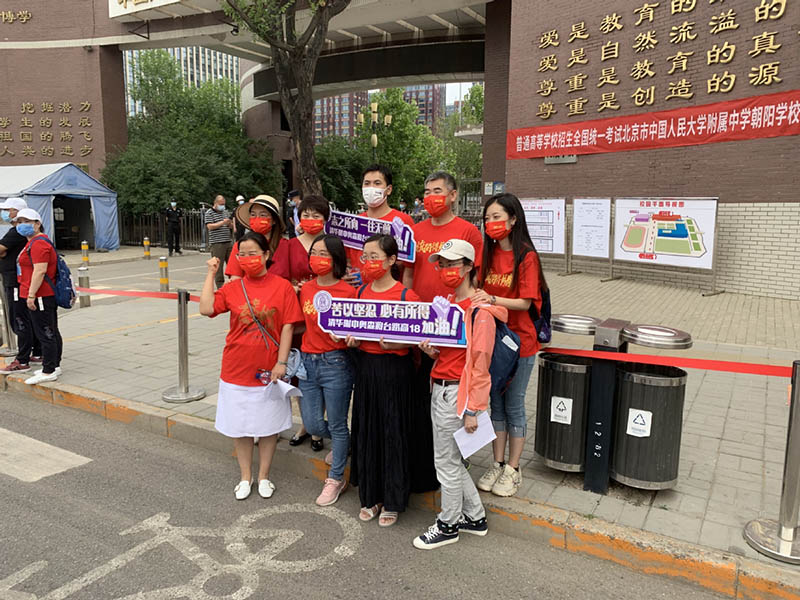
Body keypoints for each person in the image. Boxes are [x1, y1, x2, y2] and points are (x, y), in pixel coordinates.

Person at [413, 238, 505, 549]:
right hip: (440, 387)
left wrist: (472, 409)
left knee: (446, 463)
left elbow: (481, 363)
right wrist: (432, 351)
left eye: (453, 264)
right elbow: (452, 353)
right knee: (453, 460)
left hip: (456, 396)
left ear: (468, 267)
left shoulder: (481, 312)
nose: (446, 270)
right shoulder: (450, 305)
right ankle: (475, 517)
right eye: (442, 264)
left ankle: (448, 524)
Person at [199, 231, 303, 500]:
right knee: (240, 426)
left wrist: (281, 362)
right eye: (241, 254)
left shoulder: (282, 287)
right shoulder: (233, 288)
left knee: (268, 427)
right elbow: (206, 308)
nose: (247, 259)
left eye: (253, 253)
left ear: (267, 255)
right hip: (236, 368)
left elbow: (288, 326)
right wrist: (212, 273)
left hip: (269, 371)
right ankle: (245, 476)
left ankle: (264, 476)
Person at [402, 171, 484, 493]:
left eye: (437, 190)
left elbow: (477, 276)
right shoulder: (416, 230)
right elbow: (409, 273)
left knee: (452, 399)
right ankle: (428, 460)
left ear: (453, 195)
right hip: (421, 325)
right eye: (426, 191)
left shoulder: (467, 231)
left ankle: (456, 464)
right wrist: (408, 312)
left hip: (454, 330)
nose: (430, 196)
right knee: (425, 399)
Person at [473, 193, 546, 498]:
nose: (492, 223)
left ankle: (513, 469)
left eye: (497, 217)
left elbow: (525, 302)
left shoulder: (526, 256)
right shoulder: (486, 254)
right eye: (488, 218)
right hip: (491, 340)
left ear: (513, 219)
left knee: (514, 405)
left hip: (520, 344)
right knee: (496, 406)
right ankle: (498, 462)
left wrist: (491, 299)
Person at [347, 234, 419, 528]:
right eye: (366, 257)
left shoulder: (407, 297)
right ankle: (371, 495)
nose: (369, 262)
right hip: (366, 369)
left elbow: (416, 340)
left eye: (375, 256)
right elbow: (350, 328)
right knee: (367, 430)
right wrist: (350, 341)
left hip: (394, 371)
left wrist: (397, 345)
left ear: (392, 260)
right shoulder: (360, 294)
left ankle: (393, 499)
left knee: (392, 432)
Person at [297, 234, 356, 505]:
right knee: (311, 424)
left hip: (336, 363)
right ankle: (353, 441)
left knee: (335, 423)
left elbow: (357, 333)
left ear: (336, 259)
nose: (317, 259)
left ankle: (335, 478)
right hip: (308, 363)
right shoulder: (306, 289)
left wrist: (344, 338)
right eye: (314, 253)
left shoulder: (349, 292)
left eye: (324, 254)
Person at [271, 195, 332, 451]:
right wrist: (294, 287)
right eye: (305, 214)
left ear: (325, 219)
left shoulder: (331, 244)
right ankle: (306, 423)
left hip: (323, 317)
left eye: (316, 215)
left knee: (322, 373)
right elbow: (279, 279)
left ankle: (318, 423)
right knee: (299, 373)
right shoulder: (289, 245)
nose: (310, 220)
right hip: (297, 314)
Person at [12, 209, 63, 385]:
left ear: (37, 223)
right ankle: (54, 365)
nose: (21, 225)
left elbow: (40, 270)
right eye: (19, 222)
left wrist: (31, 295)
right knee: (50, 330)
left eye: (26, 221)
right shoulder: (33, 242)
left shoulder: (39, 244)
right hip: (39, 293)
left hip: (41, 294)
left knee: (45, 333)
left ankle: (49, 370)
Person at [345, 165, 415, 283]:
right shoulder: (354, 223)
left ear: (389, 189)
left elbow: (409, 265)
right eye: (367, 183)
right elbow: (347, 259)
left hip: (389, 294)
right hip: (358, 293)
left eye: (377, 183)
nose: (371, 188)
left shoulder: (403, 222)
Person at [0, 197, 42, 374]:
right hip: (19, 280)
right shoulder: (21, 233)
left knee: (19, 320)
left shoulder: (17, 232)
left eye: (8, 210)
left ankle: (22, 359)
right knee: (26, 318)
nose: (5, 213)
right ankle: (37, 353)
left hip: (16, 282)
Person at [226, 195, 285, 280]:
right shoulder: (240, 246)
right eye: (253, 215)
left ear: (274, 220)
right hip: (248, 292)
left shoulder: (285, 245)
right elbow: (235, 278)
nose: (257, 218)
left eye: (263, 215)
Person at [205, 195, 233, 289]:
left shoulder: (225, 212)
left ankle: (233, 283)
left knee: (232, 264)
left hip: (228, 241)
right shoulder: (209, 213)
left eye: (224, 204)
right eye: (221, 204)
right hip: (217, 243)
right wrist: (222, 223)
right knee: (218, 266)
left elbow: (231, 226)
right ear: (215, 203)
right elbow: (210, 226)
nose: (223, 206)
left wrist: (229, 224)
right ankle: (220, 287)